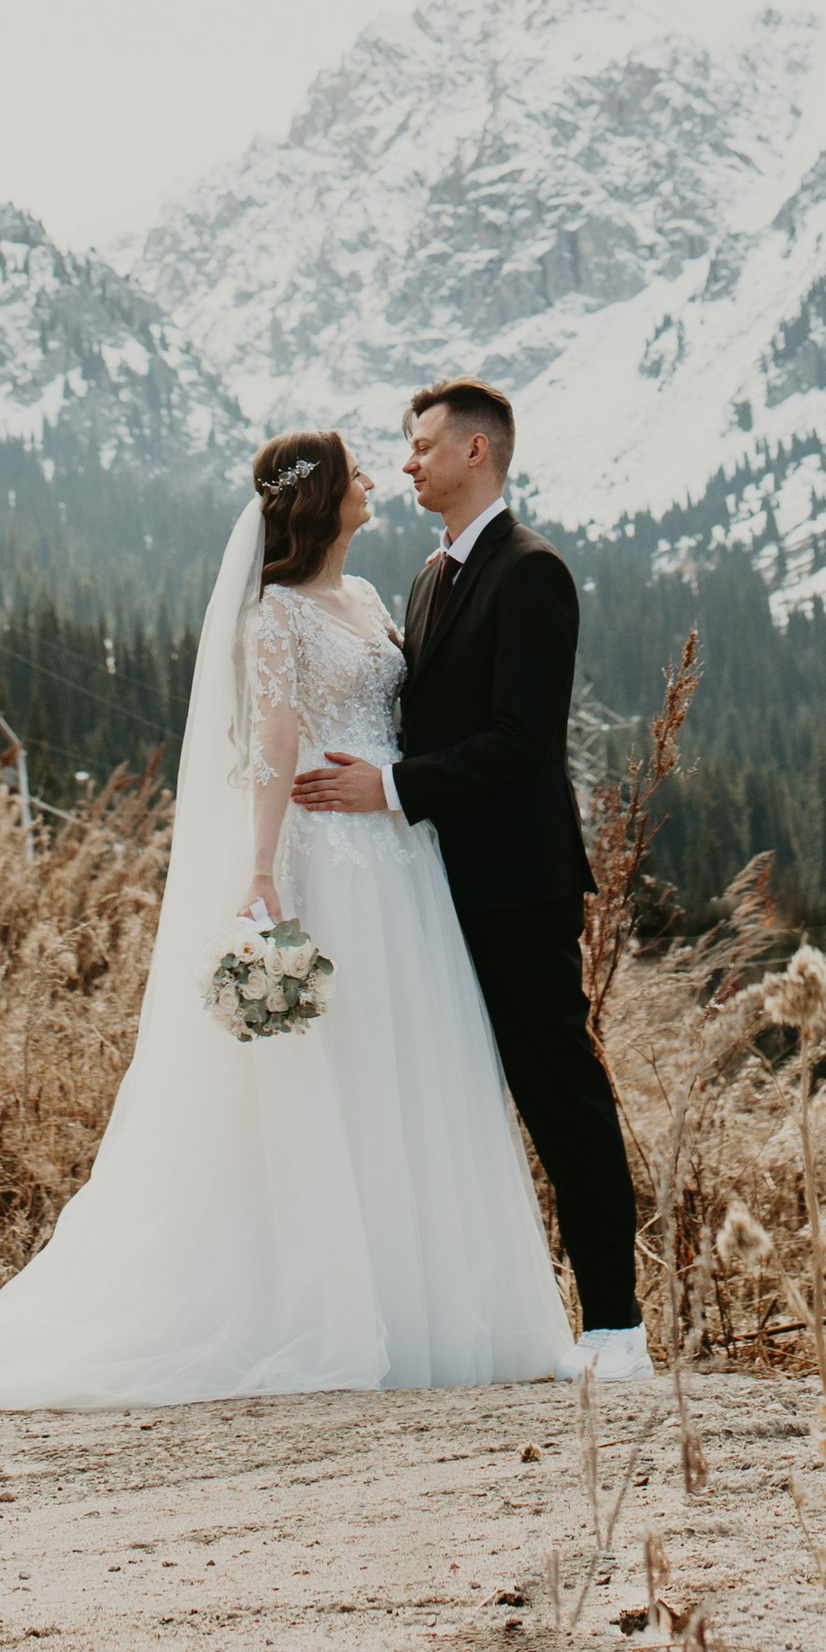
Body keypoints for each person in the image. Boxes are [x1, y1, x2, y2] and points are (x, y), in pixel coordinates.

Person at [0, 429, 570, 1407]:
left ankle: (420, 1302)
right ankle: (326, 1302)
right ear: (320, 501)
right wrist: (260, 871)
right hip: (327, 861)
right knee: (330, 1073)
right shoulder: (275, 617)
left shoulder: (373, 600)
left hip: (400, 865)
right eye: (356, 474)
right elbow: (270, 746)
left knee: (406, 1067)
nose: (375, 482)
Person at [292, 379, 651, 1383]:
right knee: (445, 1099)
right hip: (431, 885)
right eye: (405, 449)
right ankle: (461, 1320)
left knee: (558, 1092)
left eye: (421, 446)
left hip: (517, 882)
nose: (406, 462)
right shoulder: (424, 576)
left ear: (478, 452)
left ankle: (616, 1328)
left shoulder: (533, 572)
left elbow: (520, 739)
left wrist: (393, 788)